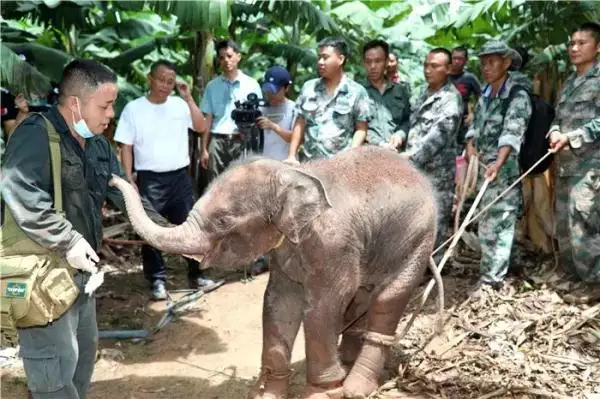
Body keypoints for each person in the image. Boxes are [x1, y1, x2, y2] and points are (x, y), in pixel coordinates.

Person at [1, 59, 166, 399]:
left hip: (81, 277)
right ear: (75, 103)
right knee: (53, 373)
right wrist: (68, 239)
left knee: (83, 357)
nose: (110, 115)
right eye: (105, 105)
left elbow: (126, 196)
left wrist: (172, 233)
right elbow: (18, 189)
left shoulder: (99, 147)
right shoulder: (36, 134)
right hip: (42, 276)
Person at [114, 59, 220, 300]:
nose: (164, 85)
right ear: (150, 79)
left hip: (180, 178)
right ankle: (157, 280)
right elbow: (126, 146)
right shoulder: (134, 108)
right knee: (151, 229)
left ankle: (198, 274)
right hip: (150, 179)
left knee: (191, 226)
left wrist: (189, 98)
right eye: (160, 80)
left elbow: (202, 126)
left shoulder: (180, 106)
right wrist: (128, 177)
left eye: (170, 82)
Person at [464, 40, 531, 294]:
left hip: (503, 168)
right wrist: (470, 143)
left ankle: (491, 280)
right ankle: (511, 265)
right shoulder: (487, 92)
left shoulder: (517, 94)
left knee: (496, 220)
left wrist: (498, 163)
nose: (486, 67)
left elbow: (513, 132)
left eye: (492, 62)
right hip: (484, 164)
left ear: (506, 63)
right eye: (483, 62)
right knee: (495, 218)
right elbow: (476, 123)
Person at [387, 48, 462, 254]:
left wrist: (412, 157)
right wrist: (400, 136)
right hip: (415, 170)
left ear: (448, 69)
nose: (428, 70)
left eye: (435, 66)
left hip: (437, 174)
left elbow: (439, 135)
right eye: (426, 65)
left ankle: (435, 271)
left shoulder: (450, 99)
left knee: (435, 221)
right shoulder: (423, 93)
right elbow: (412, 123)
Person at [547, 22, 600, 304]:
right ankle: (573, 276)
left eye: (582, 43)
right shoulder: (569, 82)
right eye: (572, 43)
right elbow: (558, 117)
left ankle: (594, 282)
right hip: (566, 164)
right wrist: (554, 131)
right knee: (565, 222)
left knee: (585, 223)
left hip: (591, 165)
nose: (574, 48)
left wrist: (574, 136)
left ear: (598, 47)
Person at [286, 37, 372, 163]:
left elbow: (361, 129)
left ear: (341, 59)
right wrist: (292, 155)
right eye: (319, 57)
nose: (320, 62)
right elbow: (300, 123)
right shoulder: (309, 88)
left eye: (325, 57)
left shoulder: (357, 92)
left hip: (339, 166)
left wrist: (351, 155)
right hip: (309, 163)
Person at [200, 39, 262, 180]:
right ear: (218, 60)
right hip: (217, 141)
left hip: (241, 141)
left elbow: (258, 117)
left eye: (229, 56)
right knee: (214, 184)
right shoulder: (212, 86)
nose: (226, 61)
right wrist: (204, 149)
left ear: (238, 57)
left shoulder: (252, 85)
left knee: (239, 183)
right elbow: (208, 119)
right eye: (222, 58)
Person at [361, 39, 411, 148]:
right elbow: (356, 127)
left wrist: (400, 134)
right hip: (368, 154)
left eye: (378, 61)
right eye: (368, 62)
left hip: (397, 154)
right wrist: (379, 144)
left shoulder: (400, 91)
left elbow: (408, 120)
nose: (373, 66)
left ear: (386, 61)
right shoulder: (358, 92)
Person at [257, 65, 297, 161]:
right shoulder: (260, 108)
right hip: (262, 163)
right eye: (268, 90)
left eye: (275, 91)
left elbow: (296, 139)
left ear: (286, 88)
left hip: (284, 164)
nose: (270, 94)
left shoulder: (294, 108)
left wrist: (273, 126)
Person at [450, 46, 482, 147]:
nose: (456, 61)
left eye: (460, 59)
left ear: (466, 61)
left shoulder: (470, 78)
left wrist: (473, 114)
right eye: (454, 58)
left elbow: (482, 97)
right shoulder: (443, 75)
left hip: (462, 123)